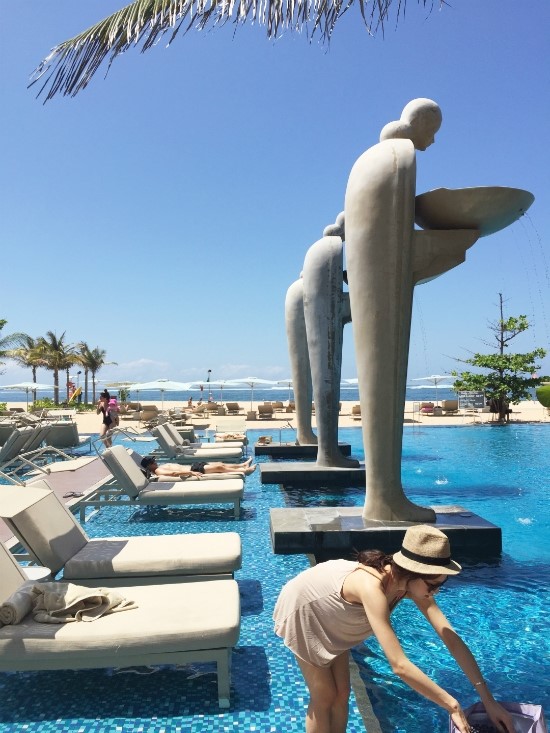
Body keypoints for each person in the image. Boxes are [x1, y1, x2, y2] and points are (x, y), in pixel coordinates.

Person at [273, 525, 515, 733]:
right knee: (325, 695)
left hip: (336, 618)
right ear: (413, 573)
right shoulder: (372, 587)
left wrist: (488, 700)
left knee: (343, 692)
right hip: (306, 609)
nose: (436, 591)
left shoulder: (411, 585)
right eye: (432, 585)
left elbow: (451, 638)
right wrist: (451, 705)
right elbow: (399, 665)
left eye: (442, 583)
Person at [140, 455, 257, 479]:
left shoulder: (159, 467)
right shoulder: (158, 471)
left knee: (220, 464)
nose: (155, 461)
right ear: (149, 466)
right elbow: (173, 474)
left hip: (193, 466)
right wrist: (191, 473)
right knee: (219, 468)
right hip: (193, 470)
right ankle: (245, 471)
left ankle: (242, 465)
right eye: (153, 461)